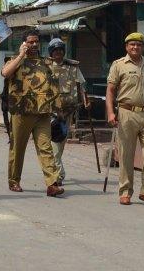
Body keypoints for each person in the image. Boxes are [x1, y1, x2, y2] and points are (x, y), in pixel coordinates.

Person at [1, 30, 64, 197]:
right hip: (21, 112)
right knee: (18, 148)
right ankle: (14, 181)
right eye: (30, 42)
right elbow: (6, 73)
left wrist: (58, 110)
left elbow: (54, 87)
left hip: (43, 112)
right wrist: (21, 55)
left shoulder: (47, 63)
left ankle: (52, 183)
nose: (34, 45)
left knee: (46, 148)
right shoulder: (13, 60)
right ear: (24, 43)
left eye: (36, 42)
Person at [106, 32, 144, 207]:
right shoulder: (118, 65)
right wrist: (110, 113)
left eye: (138, 45)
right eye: (132, 45)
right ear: (126, 47)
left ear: (142, 47)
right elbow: (110, 91)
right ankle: (125, 192)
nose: (135, 47)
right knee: (126, 155)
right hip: (126, 113)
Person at [47, 37, 89, 185]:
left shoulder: (72, 67)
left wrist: (85, 100)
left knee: (60, 141)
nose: (58, 54)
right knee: (54, 143)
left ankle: (56, 172)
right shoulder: (46, 67)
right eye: (55, 51)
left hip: (67, 111)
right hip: (50, 112)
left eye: (60, 51)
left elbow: (81, 85)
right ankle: (58, 174)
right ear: (51, 53)